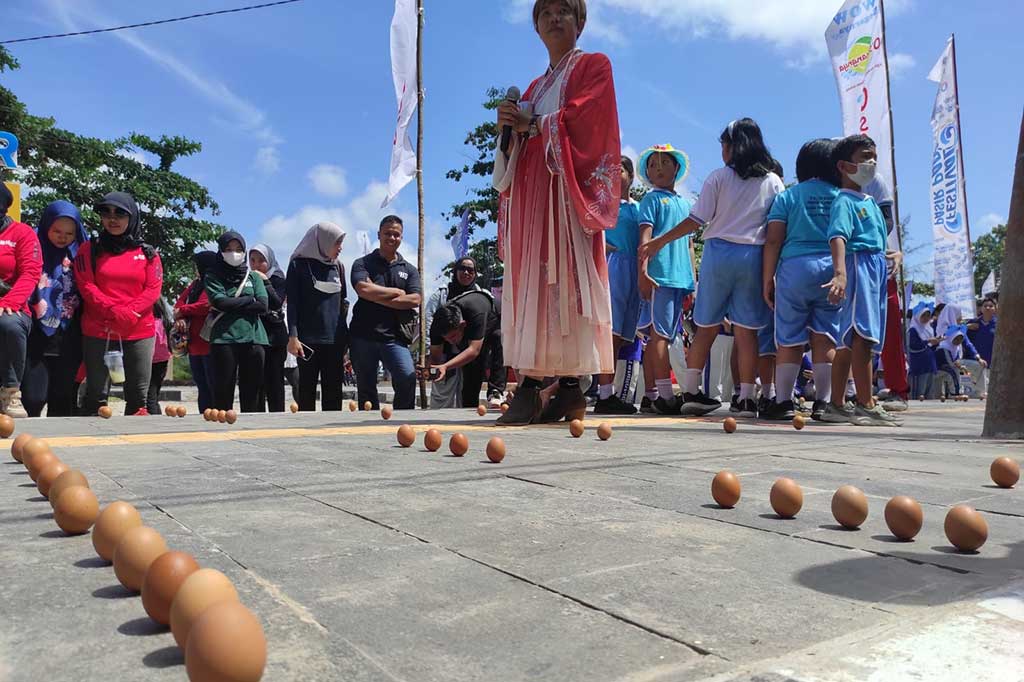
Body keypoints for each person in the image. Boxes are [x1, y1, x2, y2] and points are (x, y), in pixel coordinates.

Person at [492, 0, 621, 425]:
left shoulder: (593, 66)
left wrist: (537, 125)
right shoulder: (532, 88)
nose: (554, 18)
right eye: (545, 12)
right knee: (536, 284)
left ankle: (547, 387)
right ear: (536, 26)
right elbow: (514, 150)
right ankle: (556, 388)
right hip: (533, 198)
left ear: (580, 21)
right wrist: (509, 128)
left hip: (565, 198)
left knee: (565, 284)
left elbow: (589, 122)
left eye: (563, 9)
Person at [639, 118, 784, 418]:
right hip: (753, 257)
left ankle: (691, 391)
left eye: (723, 145)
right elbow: (775, 229)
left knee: (705, 327)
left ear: (731, 147)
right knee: (747, 332)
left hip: (718, 255)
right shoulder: (772, 181)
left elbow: (697, 220)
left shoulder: (718, 177)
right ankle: (746, 398)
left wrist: (659, 242)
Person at [823, 135, 903, 426]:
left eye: (874, 158)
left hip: (875, 267)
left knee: (849, 340)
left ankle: (836, 404)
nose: (871, 163)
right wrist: (841, 273)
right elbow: (838, 236)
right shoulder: (844, 200)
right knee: (863, 337)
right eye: (865, 157)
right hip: (859, 268)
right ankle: (866, 403)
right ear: (844, 166)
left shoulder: (869, 200)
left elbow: (875, 240)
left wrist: (893, 255)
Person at [761, 139, 842, 422]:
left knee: (789, 337)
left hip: (794, 270)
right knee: (826, 336)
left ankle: (783, 401)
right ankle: (824, 402)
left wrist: (767, 278)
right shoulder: (841, 197)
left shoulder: (788, 196)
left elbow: (773, 240)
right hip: (833, 270)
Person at [74, 192, 163, 416]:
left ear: (132, 217)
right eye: (106, 212)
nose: (112, 219)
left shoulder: (148, 253)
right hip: (99, 328)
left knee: (138, 397)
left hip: (139, 330)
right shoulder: (89, 249)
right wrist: (113, 310)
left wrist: (130, 310)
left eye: (120, 213)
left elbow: (153, 289)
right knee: (96, 396)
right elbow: (86, 285)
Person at [634, 145, 694, 415]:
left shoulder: (685, 204)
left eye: (665, 163)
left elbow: (690, 244)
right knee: (658, 335)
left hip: (679, 278)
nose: (658, 169)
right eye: (653, 164)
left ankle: (652, 394)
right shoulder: (651, 200)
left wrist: (691, 281)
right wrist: (643, 272)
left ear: (676, 168)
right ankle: (664, 395)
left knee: (665, 336)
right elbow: (644, 239)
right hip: (660, 275)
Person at [349, 216, 420, 410]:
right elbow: (362, 289)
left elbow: (415, 300)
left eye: (396, 234)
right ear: (379, 234)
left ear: (401, 237)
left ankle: (402, 423)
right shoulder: (362, 263)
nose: (392, 237)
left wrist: (375, 295)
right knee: (366, 389)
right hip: (363, 336)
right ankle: (366, 429)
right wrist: (397, 293)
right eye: (387, 233)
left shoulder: (410, 270)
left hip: (395, 338)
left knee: (407, 377)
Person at [22, 201, 86, 417]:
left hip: (69, 334)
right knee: (33, 397)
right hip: (35, 333)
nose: (63, 237)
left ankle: (59, 448)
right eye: (56, 231)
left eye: (69, 233)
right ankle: (28, 445)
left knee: (62, 398)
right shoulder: (31, 246)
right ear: (46, 225)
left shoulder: (82, 252)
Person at [595, 156, 642, 415]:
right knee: (610, 334)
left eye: (621, 169)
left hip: (634, 271)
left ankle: (610, 392)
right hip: (614, 268)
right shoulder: (604, 204)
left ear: (631, 176)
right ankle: (605, 393)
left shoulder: (638, 207)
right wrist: (605, 250)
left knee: (624, 337)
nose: (616, 174)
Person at [286, 222, 349, 412]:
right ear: (323, 241)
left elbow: (342, 303)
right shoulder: (298, 265)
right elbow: (293, 304)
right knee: (306, 391)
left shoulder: (338, 267)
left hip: (334, 340)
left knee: (334, 392)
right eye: (337, 242)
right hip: (307, 341)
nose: (340, 248)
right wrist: (293, 336)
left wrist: (345, 340)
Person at [204, 231, 268, 412]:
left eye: (239, 249)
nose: (234, 253)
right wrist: (249, 300)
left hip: (254, 339)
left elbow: (263, 306)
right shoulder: (212, 275)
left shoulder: (253, 277)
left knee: (253, 393)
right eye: (229, 249)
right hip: (224, 339)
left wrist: (232, 303)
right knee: (223, 393)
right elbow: (220, 302)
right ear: (220, 251)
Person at [864, 172, 910, 412]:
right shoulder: (828, 179)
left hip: (877, 259)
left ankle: (897, 389)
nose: (868, 162)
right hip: (841, 261)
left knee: (890, 324)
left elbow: (887, 219)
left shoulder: (875, 180)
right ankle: (843, 392)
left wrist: (870, 243)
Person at [0, 183, 42, 418]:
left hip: (12, 307)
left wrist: (9, 302)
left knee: (8, 325)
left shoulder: (22, 233)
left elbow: (31, 272)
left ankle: (11, 391)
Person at [424, 257, 482, 408]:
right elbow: (429, 321)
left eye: (471, 270)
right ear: (455, 271)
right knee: (441, 396)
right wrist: (429, 351)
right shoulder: (441, 295)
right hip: (443, 353)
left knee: (468, 396)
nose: (466, 273)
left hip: (469, 355)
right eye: (462, 269)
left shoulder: (480, 295)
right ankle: (436, 425)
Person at [426, 290, 501, 404]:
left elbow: (473, 351)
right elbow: (435, 359)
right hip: (469, 334)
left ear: (462, 325)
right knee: (470, 378)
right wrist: (429, 371)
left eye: (453, 336)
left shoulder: (475, 312)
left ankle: (496, 391)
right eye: (446, 339)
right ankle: (469, 403)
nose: (450, 342)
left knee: (498, 339)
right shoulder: (437, 326)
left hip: (494, 320)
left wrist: (445, 367)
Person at [174, 252, 217, 413]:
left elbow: (206, 305)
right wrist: (181, 316)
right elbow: (179, 302)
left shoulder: (214, 282)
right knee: (201, 385)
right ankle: (204, 418)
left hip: (208, 342)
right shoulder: (195, 284)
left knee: (212, 384)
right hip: (193, 344)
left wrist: (183, 311)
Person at [250, 244, 288, 412]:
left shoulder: (278, 279)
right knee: (257, 381)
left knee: (274, 382)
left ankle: (277, 418)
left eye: (261, 261)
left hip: (275, 338)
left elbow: (276, 302)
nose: (256, 265)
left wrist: (264, 282)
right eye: (252, 260)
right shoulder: (247, 281)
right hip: (257, 336)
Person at [906, 302, 940, 399]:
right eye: (923, 315)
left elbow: (931, 347)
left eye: (928, 315)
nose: (926, 318)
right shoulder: (913, 330)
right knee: (919, 393)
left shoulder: (929, 329)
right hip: (919, 366)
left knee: (929, 392)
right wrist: (928, 341)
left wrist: (936, 342)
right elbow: (913, 346)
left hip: (929, 364)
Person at [146, 299, 173, 415]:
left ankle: (153, 420)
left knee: (149, 396)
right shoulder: (164, 323)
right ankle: (157, 416)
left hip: (150, 362)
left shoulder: (150, 324)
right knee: (154, 394)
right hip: (163, 361)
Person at [966, 297, 996, 397]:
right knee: (976, 395)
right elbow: (958, 334)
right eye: (985, 306)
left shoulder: (999, 323)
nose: (988, 308)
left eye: (991, 306)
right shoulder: (973, 322)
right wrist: (967, 327)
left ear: (995, 308)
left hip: (992, 363)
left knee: (989, 394)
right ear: (981, 309)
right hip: (975, 363)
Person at [936, 325, 973, 398]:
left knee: (963, 371)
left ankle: (963, 390)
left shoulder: (957, 347)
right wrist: (960, 366)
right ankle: (954, 393)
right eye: (956, 339)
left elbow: (957, 359)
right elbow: (950, 362)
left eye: (960, 339)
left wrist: (962, 367)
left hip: (949, 366)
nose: (958, 341)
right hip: (938, 367)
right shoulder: (944, 347)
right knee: (953, 371)